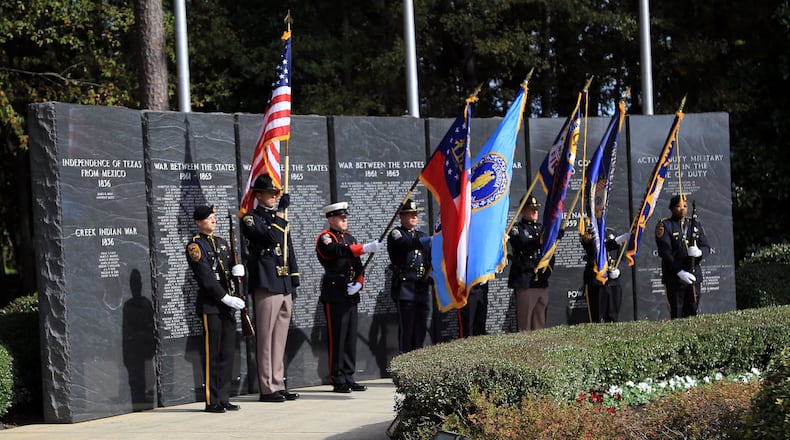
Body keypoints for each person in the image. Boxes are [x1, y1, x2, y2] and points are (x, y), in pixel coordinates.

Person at [240, 174, 301, 403]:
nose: (274, 197)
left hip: (282, 282)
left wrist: (294, 278)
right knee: (265, 338)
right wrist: (280, 214)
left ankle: (278, 382)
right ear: (258, 195)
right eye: (270, 194)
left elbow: (287, 247)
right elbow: (271, 238)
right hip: (266, 281)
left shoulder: (278, 218)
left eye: (276, 194)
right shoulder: (251, 219)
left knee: (279, 338)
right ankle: (267, 388)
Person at [315, 201, 383, 393]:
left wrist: (359, 283)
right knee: (337, 337)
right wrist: (364, 247)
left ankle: (349, 375)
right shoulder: (325, 238)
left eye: (345, 217)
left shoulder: (350, 238)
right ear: (331, 219)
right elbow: (335, 252)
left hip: (350, 293)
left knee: (349, 337)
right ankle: (337, 378)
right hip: (335, 293)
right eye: (340, 217)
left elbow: (358, 264)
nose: (344, 220)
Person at [186, 205, 246, 413]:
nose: (213, 220)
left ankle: (224, 397)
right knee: (213, 353)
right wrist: (225, 298)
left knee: (227, 352)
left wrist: (238, 271)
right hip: (211, 305)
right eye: (209, 218)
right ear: (198, 222)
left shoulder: (221, 242)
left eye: (214, 217)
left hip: (227, 306)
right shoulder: (195, 246)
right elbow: (206, 277)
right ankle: (212, 400)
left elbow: (228, 269)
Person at [386, 198, 432, 353]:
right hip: (405, 288)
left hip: (421, 287)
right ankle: (405, 361)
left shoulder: (422, 234)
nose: (414, 217)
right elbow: (407, 245)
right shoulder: (397, 234)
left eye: (416, 214)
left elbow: (428, 260)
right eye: (410, 214)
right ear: (402, 217)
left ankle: (417, 364)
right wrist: (430, 240)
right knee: (407, 329)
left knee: (420, 328)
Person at [656, 194, 710, 319]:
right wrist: (679, 272)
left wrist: (699, 252)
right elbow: (666, 253)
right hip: (675, 278)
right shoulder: (665, 226)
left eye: (685, 206)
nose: (682, 209)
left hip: (693, 275)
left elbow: (706, 246)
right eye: (678, 206)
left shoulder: (694, 224)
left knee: (692, 311)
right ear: (672, 208)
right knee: (677, 313)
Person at [507, 194, 556, 331]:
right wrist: (541, 240)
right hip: (526, 280)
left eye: (536, 209)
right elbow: (523, 244)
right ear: (523, 211)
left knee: (540, 322)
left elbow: (549, 254)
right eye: (531, 209)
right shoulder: (517, 229)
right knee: (526, 323)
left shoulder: (541, 229)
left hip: (540, 280)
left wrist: (554, 237)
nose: (535, 212)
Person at [580, 225, 627, 322]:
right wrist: (616, 241)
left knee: (613, 317)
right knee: (597, 318)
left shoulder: (612, 233)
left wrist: (619, 270)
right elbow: (597, 247)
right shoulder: (590, 234)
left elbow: (622, 257)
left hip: (613, 282)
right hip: (596, 282)